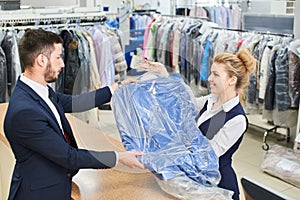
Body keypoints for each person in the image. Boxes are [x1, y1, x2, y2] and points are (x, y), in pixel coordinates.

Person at [4, 29, 145, 200]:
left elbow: (75, 102)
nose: (63, 64)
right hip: (39, 193)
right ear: (41, 60)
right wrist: (119, 158)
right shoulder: (25, 112)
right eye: (58, 57)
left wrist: (116, 88)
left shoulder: (38, 91)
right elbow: (69, 157)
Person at [141, 48, 256, 200]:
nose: (209, 78)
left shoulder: (236, 119)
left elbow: (207, 155)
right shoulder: (211, 100)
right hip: (198, 179)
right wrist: (164, 75)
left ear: (231, 80)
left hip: (218, 187)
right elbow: (185, 101)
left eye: (215, 74)